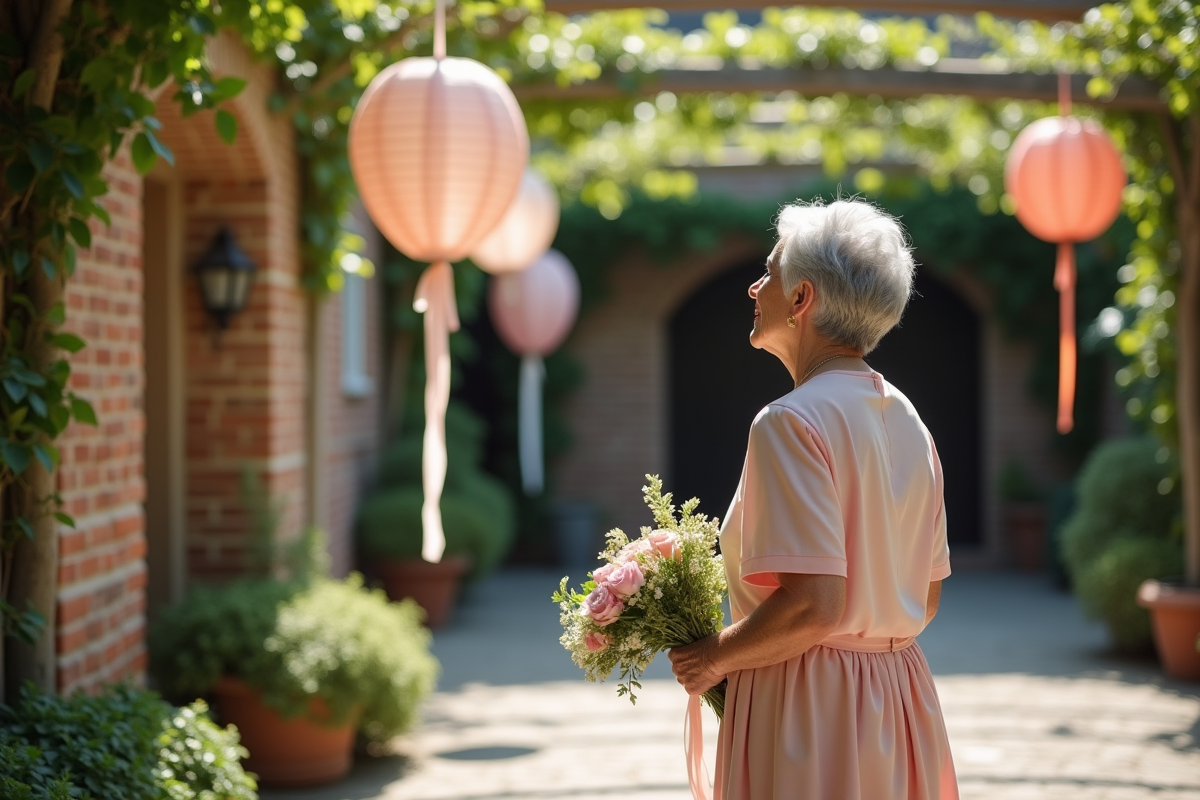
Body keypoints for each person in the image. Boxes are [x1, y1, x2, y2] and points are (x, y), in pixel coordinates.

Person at [668, 199, 959, 800]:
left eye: (768, 272)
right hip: (897, 695)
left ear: (801, 299)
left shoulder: (788, 422)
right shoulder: (911, 421)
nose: (753, 287)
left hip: (808, 705)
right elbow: (925, 597)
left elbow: (815, 605)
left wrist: (712, 657)